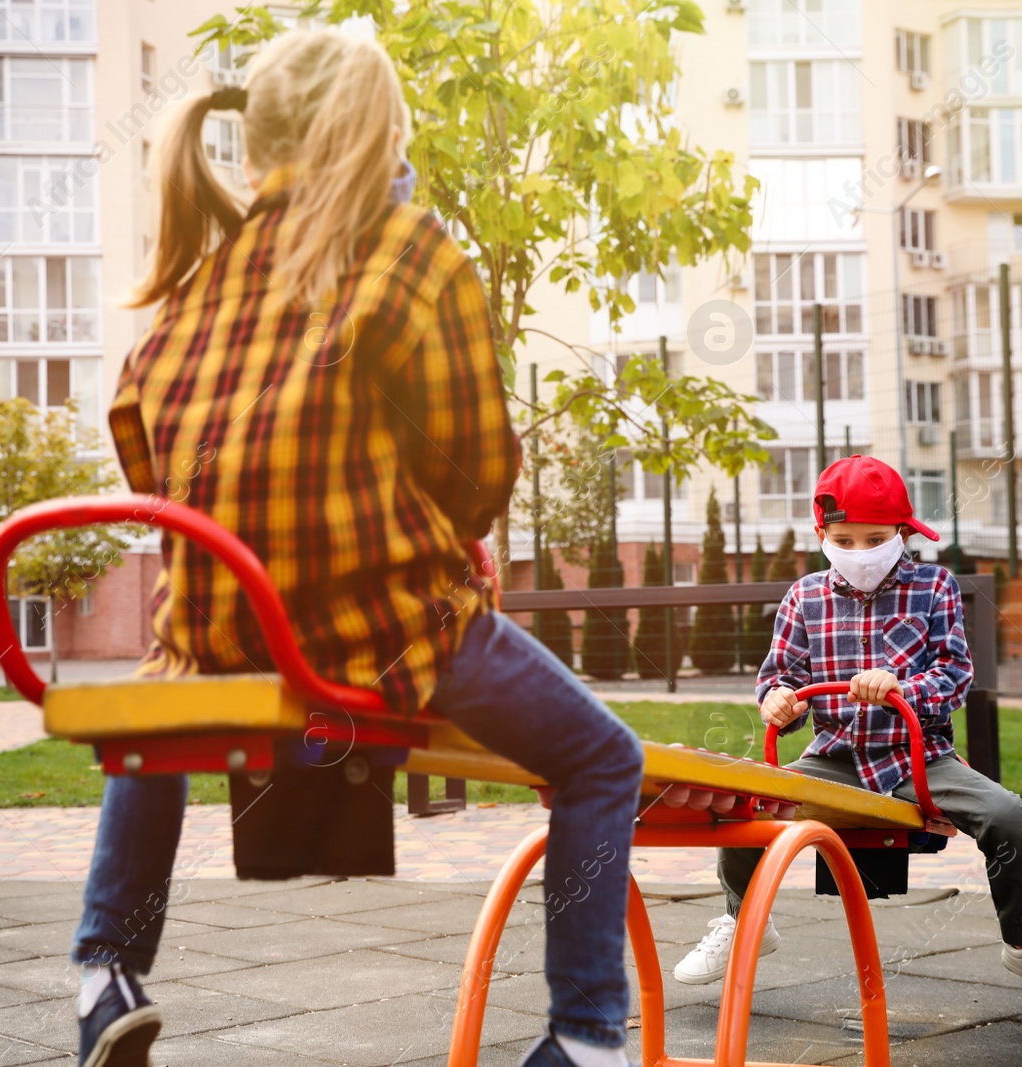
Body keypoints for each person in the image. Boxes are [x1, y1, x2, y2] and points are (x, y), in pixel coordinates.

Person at [71, 29, 643, 1067]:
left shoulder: (199, 283)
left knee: (153, 715)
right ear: (383, 135)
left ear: (256, 146)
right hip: (378, 624)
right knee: (604, 757)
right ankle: (588, 1032)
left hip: (214, 632)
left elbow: (140, 446)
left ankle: (103, 968)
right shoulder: (411, 244)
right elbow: (478, 474)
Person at [671, 455, 1022, 1014]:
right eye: (844, 539)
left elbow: (954, 675)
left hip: (919, 757)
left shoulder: (935, 586)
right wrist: (778, 702)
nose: (859, 552)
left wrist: (901, 687)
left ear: (902, 533)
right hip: (833, 755)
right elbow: (782, 676)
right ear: (823, 535)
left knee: (1007, 816)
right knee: (747, 804)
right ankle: (741, 921)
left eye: (875, 539)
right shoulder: (805, 595)